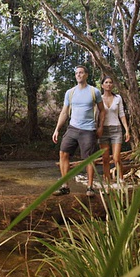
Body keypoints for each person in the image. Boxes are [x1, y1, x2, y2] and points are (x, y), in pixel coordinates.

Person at [52, 65, 105, 197]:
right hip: (72, 128)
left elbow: (102, 110)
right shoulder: (70, 93)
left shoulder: (94, 91)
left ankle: (90, 187)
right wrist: (57, 129)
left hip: (88, 130)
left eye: (81, 73)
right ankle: (65, 186)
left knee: (89, 158)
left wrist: (100, 127)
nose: (79, 75)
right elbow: (64, 112)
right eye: (77, 73)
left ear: (86, 75)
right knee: (63, 153)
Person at [98, 75, 130, 186]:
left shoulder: (118, 98)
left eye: (110, 82)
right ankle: (107, 182)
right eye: (106, 82)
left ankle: (121, 180)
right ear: (102, 85)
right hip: (103, 131)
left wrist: (127, 129)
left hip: (116, 129)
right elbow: (95, 115)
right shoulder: (99, 99)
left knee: (116, 158)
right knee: (105, 158)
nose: (108, 84)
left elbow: (121, 114)